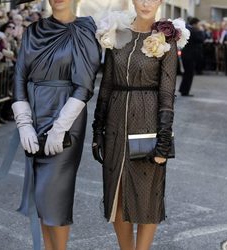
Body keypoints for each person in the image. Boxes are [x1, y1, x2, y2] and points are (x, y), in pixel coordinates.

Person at [92, 0, 189, 249]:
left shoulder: (167, 38)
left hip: (148, 121)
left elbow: (167, 93)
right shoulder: (118, 33)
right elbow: (106, 83)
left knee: (148, 193)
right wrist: (97, 128)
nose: (146, 2)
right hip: (115, 121)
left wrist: (164, 139)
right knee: (117, 193)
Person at [6, 0, 100, 249]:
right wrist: (24, 122)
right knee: (41, 198)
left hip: (67, 119)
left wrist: (61, 126)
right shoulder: (32, 30)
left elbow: (85, 86)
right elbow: (19, 77)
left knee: (55, 197)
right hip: (34, 117)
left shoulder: (86, 29)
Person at [179, 17, 204, 96]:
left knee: (187, 73)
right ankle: (185, 91)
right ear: (195, 24)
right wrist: (201, 30)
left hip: (187, 54)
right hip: (190, 55)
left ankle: (183, 89)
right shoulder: (193, 30)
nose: (200, 26)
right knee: (189, 73)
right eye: (199, 24)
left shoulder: (188, 28)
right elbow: (201, 39)